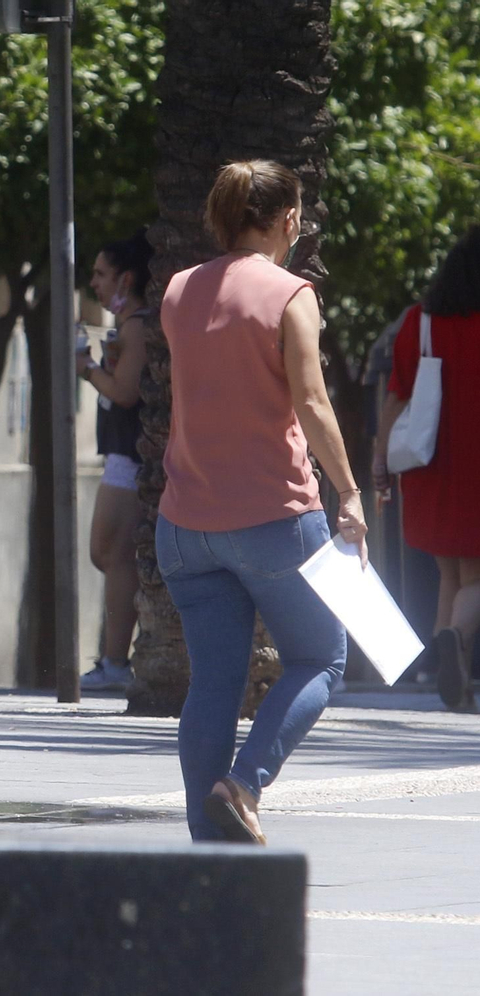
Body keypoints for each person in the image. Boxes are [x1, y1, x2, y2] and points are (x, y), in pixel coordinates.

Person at [157, 160, 365, 843]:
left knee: (213, 683)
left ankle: (205, 838)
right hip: (274, 517)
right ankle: (243, 786)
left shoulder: (180, 289)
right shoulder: (290, 293)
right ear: (286, 220)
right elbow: (309, 400)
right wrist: (351, 492)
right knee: (320, 658)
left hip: (184, 524)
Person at [375, 226, 480, 712]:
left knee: (449, 574)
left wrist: (380, 457)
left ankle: (448, 672)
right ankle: (456, 638)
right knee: (476, 578)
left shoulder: (421, 322)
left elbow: (397, 395)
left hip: (430, 463)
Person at [78, 229, 153, 691]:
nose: (95, 284)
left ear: (126, 278)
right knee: (105, 551)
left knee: (115, 552)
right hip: (121, 455)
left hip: (131, 456)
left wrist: (86, 368)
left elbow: (124, 392)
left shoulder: (138, 325)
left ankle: (115, 661)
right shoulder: (128, 326)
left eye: (102, 275)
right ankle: (114, 658)